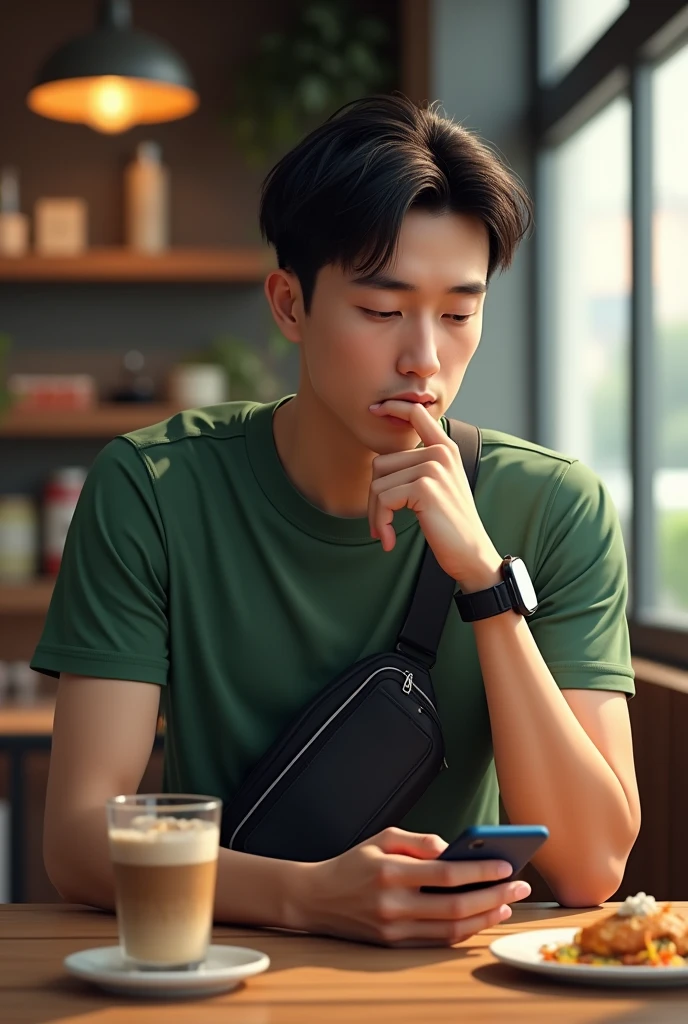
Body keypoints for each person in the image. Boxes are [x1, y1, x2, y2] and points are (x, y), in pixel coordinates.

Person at [33, 93, 640, 949]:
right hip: (222, 968)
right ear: (289, 305)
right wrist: (310, 898)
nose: (424, 358)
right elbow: (81, 841)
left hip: (465, 985)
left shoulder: (553, 505)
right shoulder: (155, 488)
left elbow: (592, 867)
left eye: (460, 313)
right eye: (383, 310)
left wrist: (483, 584)